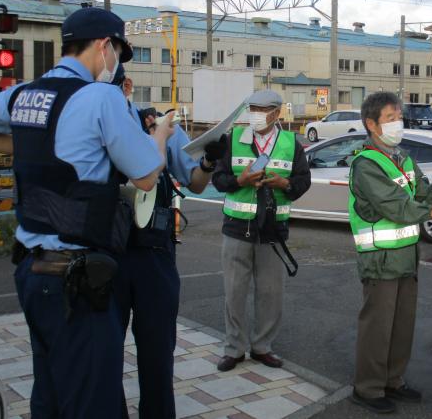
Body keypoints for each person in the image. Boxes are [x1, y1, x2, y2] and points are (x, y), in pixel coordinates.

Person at [0, 7, 173, 418]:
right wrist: (160, 137)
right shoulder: (102, 97)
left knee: (50, 392)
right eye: (118, 54)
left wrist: (24, 144)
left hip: (29, 270)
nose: (115, 65)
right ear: (104, 46)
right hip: (77, 281)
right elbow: (146, 176)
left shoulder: (23, 95)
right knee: (94, 398)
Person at [110, 66, 227, 418]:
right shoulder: (88, 121)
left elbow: (194, 183)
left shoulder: (155, 122)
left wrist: (208, 160)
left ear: (126, 87)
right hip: (105, 252)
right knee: (104, 352)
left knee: (158, 353)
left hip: (154, 253)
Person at [348, 92, 432, 414]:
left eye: (399, 116)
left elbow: (425, 190)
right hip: (380, 260)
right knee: (378, 327)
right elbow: (395, 205)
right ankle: (368, 388)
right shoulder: (366, 164)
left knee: (401, 325)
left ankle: (393, 381)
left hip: (406, 258)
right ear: (371, 124)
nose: (398, 123)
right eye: (390, 118)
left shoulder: (403, 158)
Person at [212, 89, 311, 372]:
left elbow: (303, 182)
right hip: (236, 228)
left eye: (262, 109)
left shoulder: (292, 144)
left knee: (270, 293)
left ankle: (262, 347)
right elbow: (218, 179)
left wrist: (285, 184)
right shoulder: (234, 140)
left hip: (272, 231)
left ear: (277, 113)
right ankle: (234, 348)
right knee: (234, 292)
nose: (256, 113)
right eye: (252, 108)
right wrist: (239, 180)